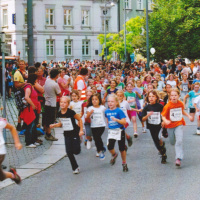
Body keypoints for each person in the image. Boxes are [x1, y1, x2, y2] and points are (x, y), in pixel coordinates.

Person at [50, 96, 84, 174]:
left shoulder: (71, 112)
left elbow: (79, 119)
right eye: (61, 102)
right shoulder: (59, 113)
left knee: (76, 151)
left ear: (68, 104)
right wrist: (54, 125)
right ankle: (75, 167)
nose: (62, 104)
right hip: (67, 134)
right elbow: (62, 124)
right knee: (68, 152)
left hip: (75, 132)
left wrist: (81, 130)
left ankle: (79, 140)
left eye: (65, 102)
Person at [161, 88, 193, 167]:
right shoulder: (168, 105)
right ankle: (170, 137)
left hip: (179, 123)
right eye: (172, 95)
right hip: (170, 125)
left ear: (178, 96)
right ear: (170, 97)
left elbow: (182, 111)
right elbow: (163, 116)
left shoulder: (180, 103)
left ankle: (178, 158)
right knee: (172, 142)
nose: (174, 97)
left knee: (179, 140)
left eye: (175, 95)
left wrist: (189, 116)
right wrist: (165, 121)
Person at [141, 90, 167, 164]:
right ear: (147, 98)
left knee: (159, 138)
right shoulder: (146, 107)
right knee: (156, 141)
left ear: (156, 97)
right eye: (150, 96)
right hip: (151, 126)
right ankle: (162, 151)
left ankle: (163, 155)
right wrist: (147, 115)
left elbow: (164, 115)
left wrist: (163, 121)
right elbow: (142, 119)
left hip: (159, 126)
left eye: (153, 96)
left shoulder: (160, 106)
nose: (151, 98)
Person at [105, 94, 128, 172]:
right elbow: (107, 119)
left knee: (122, 149)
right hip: (112, 131)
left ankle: (124, 163)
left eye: (112, 101)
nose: (110, 103)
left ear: (116, 102)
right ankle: (114, 154)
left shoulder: (119, 111)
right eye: (108, 101)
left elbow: (124, 122)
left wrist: (116, 120)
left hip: (120, 130)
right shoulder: (107, 111)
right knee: (109, 146)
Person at [20, 74, 41, 147]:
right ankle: (28, 142)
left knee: (33, 125)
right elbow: (27, 97)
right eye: (36, 79)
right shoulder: (28, 87)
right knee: (30, 125)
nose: (37, 80)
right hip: (29, 109)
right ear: (34, 79)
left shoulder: (31, 86)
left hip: (33, 108)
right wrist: (32, 105)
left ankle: (33, 140)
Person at [0, 117, 22, 184]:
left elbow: (12, 128)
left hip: (0, 152)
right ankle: (12, 174)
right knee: (1, 176)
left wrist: (17, 142)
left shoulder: (0, 122)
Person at [86, 93, 106, 159]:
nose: (94, 101)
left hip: (101, 125)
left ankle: (100, 150)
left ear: (99, 100)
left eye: (96, 99)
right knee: (96, 138)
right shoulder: (90, 108)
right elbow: (87, 118)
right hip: (94, 126)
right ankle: (100, 149)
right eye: (93, 99)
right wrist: (90, 113)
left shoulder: (102, 108)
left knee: (97, 137)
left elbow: (107, 114)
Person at [44, 68, 61, 141]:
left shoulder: (47, 81)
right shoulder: (55, 84)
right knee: (50, 120)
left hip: (46, 102)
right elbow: (59, 93)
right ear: (57, 75)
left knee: (46, 119)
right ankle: (49, 134)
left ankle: (47, 133)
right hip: (52, 103)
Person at [13, 60, 28, 131]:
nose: (21, 65)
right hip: (19, 93)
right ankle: (19, 124)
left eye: (23, 64)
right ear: (19, 65)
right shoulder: (17, 73)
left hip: (25, 92)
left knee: (25, 108)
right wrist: (25, 83)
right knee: (21, 108)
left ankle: (25, 123)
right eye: (20, 64)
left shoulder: (26, 72)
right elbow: (16, 85)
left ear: (25, 65)